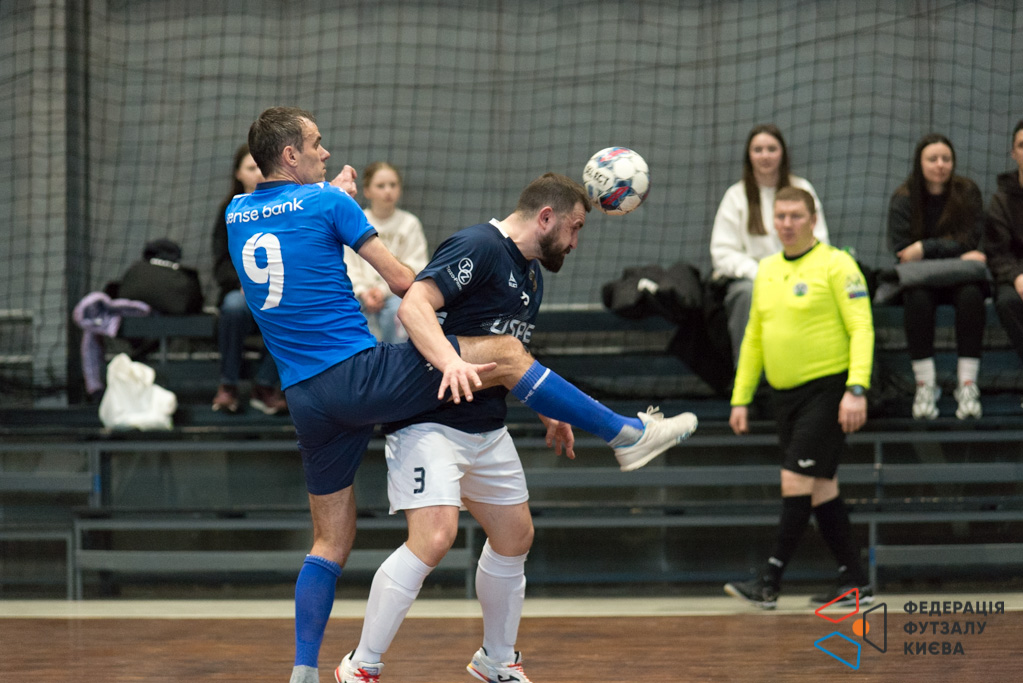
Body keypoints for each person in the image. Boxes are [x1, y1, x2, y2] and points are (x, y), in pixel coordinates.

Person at [227, 107, 699, 683]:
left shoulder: (236, 212)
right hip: (357, 374)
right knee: (501, 355)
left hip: (303, 394)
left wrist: (329, 192)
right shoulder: (333, 205)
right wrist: (447, 351)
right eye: (316, 144)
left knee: (329, 541)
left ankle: (304, 670)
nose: (326, 152)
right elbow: (405, 287)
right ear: (290, 155)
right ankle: (625, 434)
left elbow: (287, 212)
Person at [333, 173, 681, 683]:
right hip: (429, 418)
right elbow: (412, 306)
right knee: (434, 538)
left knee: (515, 536)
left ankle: (495, 661)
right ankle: (360, 666)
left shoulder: (532, 276)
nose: (576, 242)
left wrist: (545, 406)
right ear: (546, 217)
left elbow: (509, 354)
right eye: (575, 228)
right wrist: (450, 361)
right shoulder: (480, 245)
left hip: (484, 425)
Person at [722, 187, 874, 611]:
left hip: (828, 391)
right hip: (784, 398)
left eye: (796, 216)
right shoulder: (767, 270)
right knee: (821, 487)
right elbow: (754, 338)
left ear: (813, 219)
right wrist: (740, 398)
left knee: (795, 481)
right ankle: (855, 581)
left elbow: (862, 328)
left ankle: (769, 582)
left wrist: (856, 388)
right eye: (781, 216)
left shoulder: (837, 265)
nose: (787, 224)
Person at [710, 124, 830, 365]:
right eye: (758, 150)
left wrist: (793, 273)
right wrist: (762, 274)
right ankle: (748, 376)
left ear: (782, 153)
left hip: (800, 274)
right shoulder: (736, 196)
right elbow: (722, 252)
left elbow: (820, 241)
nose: (765, 156)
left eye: (771, 149)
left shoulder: (802, 189)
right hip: (753, 279)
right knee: (746, 294)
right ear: (749, 155)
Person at [887, 133, 987, 420]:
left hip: (961, 280)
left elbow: (971, 241)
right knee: (916, 298)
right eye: (933, 159)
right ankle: (926, 385)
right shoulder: (903, 199)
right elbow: (902, 251)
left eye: (946, 158)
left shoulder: (967, 192)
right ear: (920, 163)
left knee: (972, 295)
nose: (940, 165)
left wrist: (924, 249)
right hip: (921, 282)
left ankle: (967, 385)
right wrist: (952, 252)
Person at [210, 144, 288, 414]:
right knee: (233, 306)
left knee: (292, 308)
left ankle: (265, 385)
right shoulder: (228, 211)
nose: (257, 173)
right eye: (250, 167)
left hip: (276, 290)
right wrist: (242, 283)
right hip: (240, 292)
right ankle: (228, 385)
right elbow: (221, 264)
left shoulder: (282, 208)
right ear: (238, 174)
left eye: (261, 167)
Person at [343, 162, 428, 343]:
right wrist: (363, 291)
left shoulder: (410, 224)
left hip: (396, 295)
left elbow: (417, 264)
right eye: (380, 186)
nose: (388, 191)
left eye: (393, 185)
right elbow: (347, 264)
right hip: (359, 294)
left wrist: (383, 290)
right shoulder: (357, 220)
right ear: (367, 191)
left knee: (402, 311)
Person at [984, 119, 1023, 388]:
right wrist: (1017, 276)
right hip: (1015, 275)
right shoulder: (1001, 200)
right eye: (1022, 145)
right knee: (1007, 301)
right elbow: (997, 252)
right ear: (1013, 153)